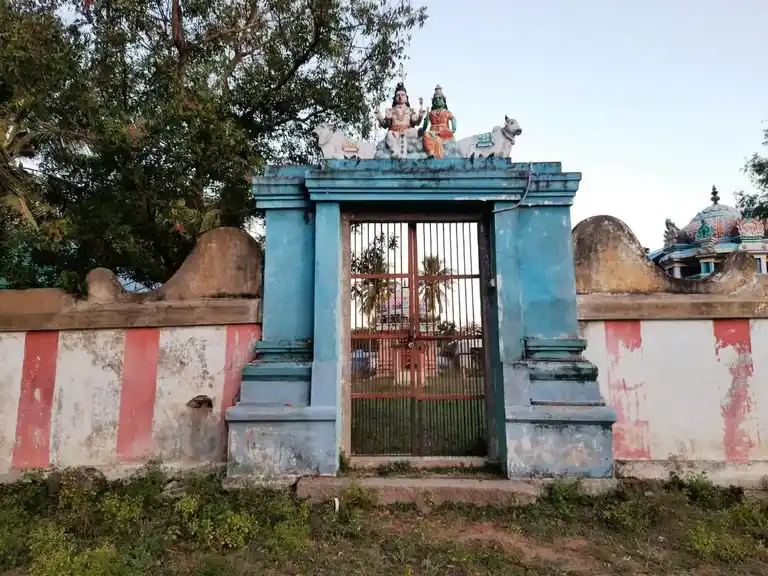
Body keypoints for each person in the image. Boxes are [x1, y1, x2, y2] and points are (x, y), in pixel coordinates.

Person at [374, 82, 425, 158]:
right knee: (389, 134)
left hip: (407, 132)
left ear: (406, 98)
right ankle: (395, 153)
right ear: (394, 98)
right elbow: (385, 125)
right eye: (398, 95)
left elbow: (416, 122)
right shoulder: (391, 110)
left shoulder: (410, 110)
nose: (400, 97)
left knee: (413, 131)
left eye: (402, 95)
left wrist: (420, 116)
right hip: (394, 132)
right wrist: (381, 116)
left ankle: (404, 153)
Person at [422, 85, 456, 159]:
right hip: (432, 132)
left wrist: (454, 128)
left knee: (437, 138)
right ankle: (430, 153)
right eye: (436, 98)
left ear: (444, 100)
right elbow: (424, 128)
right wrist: (426, 118)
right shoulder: (431, 113)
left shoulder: (446, 112)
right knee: (426, 134)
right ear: (433, 101)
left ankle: (437, 156)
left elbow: (453, 118)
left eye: (440, 98)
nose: (437, 100)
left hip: (444, 131)